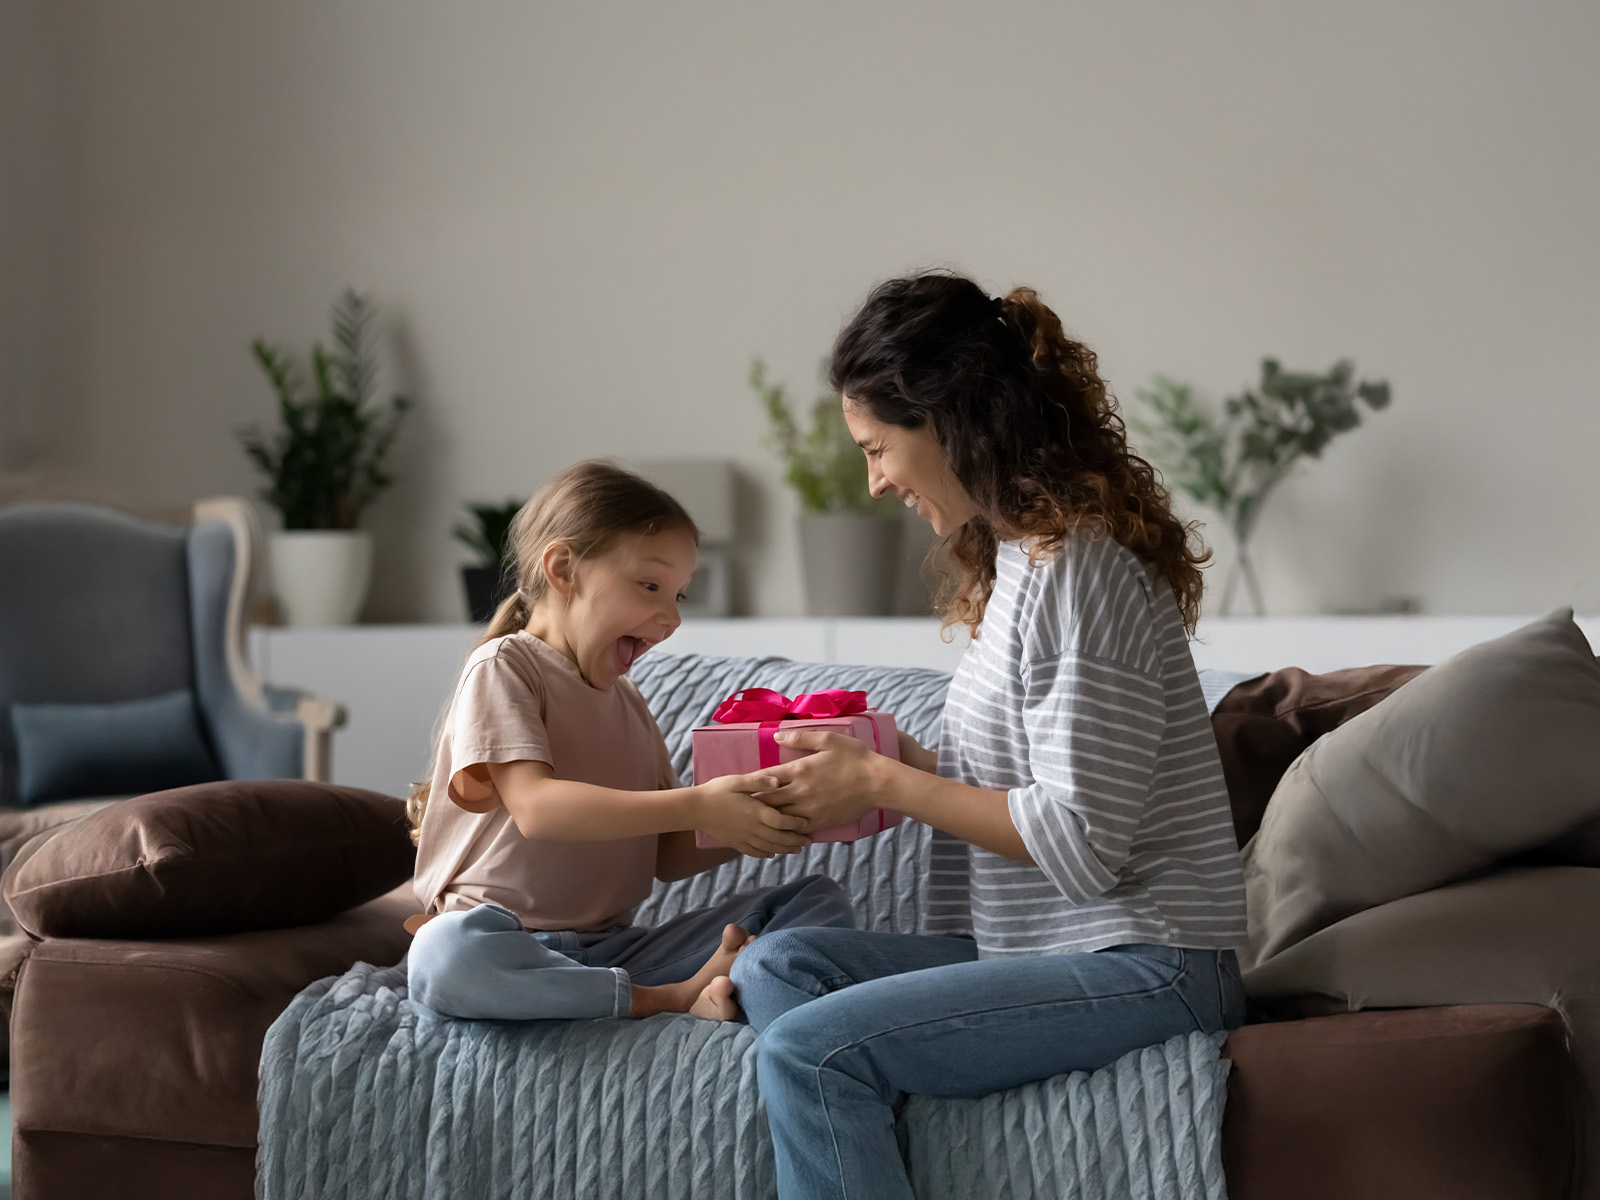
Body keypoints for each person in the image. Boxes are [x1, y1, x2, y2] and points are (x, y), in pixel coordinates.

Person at [730, 272, 1250, 1199]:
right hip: (1054, 950)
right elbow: (1025, 777)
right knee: (782, 963)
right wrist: (890, 760)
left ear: (949, 420)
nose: (875, 479)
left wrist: (885, 785)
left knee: (812, 1054)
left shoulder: (1078, 573)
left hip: (1149, 961)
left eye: (877, 448)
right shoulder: (1019, 563)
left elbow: (1082, 844)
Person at [406, 460, 855, 1022]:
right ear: (564, 568)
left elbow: (665, 854)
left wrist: (763, 815)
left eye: (679, 596)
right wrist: (700, 801)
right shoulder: (505, 667)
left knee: (814, 901)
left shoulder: (630, 703)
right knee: (444, 957)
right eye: (649, 586)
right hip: (502, 941)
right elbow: (538, 809)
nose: (670, 618)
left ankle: (692, 987)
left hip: (612, 953)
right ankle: (667, 999)